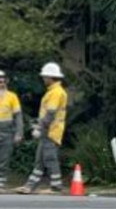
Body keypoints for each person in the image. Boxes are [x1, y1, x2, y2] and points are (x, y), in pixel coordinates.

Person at [16, 63, 68, 195]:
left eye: (45, 77)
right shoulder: (53, 91)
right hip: (49, 130)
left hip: (51, 131)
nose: (43, 79)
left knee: (50, 158)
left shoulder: (56, 93)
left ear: (51, 77)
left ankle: (56, 187)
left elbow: (50, 113)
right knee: (39, 160)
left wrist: (40, 127)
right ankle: (30, 186)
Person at [0, 70, 23, 190]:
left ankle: (1, 182)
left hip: (7, 130)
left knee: (4, 157)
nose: (1, 81)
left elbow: (18, 116)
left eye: (3, 79)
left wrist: (19, 133)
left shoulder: (12, 96)